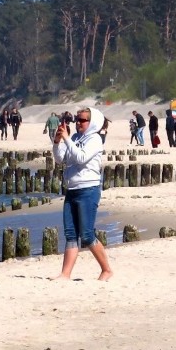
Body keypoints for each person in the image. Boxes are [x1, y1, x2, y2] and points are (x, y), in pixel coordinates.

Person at [52, 106, 113, 281]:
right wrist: (57, 142)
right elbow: (60, 159)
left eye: (82, 120)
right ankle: (65, 274)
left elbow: (81, 157)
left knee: (86, 235)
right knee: (70, 234)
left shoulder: (95, 139)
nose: (78, 123)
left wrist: (67, 139)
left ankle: (106, 269)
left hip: (88, 190)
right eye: (77, 120)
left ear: (92, 122)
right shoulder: (76, 138)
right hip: (72, 189)